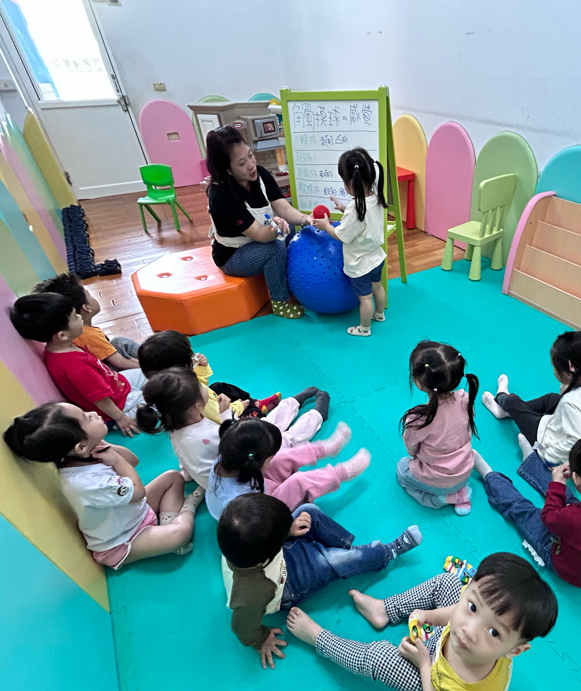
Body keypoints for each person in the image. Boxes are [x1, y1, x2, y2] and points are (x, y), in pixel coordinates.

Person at [285, 552, 558, 691]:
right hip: (443, 651)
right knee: (448, 582)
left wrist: (424, 665)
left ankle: (318, 638)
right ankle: (384, 609)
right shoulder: (470, 628)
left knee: (381, 657)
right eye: (474, 606)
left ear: (515, 651)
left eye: (494, 632)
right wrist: (429, 616)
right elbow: (458, 612)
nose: (469, 630)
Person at [218, 493, 422, 669]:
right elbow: (241, 626)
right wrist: (260, 639)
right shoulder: (253, 592)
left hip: (276, 561)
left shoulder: (239, 541)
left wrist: (288, 529)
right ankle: (386, 553)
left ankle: (352, 551)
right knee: (328, 562)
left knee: (308, 512)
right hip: (286, 586)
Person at [3, 402, 202, 567]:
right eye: (87, 418)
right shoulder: (86, 483)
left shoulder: (84, 454)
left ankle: (167, 521)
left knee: (173, 477)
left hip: (135, 512)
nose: (93, 413)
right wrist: (115, 460)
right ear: (80, 447)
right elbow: (138, 493)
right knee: (179, 535)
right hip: (122, 540)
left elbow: (132, 461)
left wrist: (107, 448)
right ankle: (188, 507)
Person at [473, 432, 581, 588]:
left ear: (578, 480)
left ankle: (490, 477)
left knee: (524, 511)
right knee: (565, 495)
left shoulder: (575, 519)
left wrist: (557, 484)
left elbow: (548, 518)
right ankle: (531, 463)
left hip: (567, 565)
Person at [482, 330, 581, 495]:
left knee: (512, 401)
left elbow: (576, 441)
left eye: (554, 367)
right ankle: (511, 412)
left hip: (547, 441)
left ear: (568, 372)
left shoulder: (571, 402)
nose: (553, 370)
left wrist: (553, 460)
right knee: (551, 399)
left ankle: (501, 401)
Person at [136, 371, 329, 490]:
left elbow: (188, 458)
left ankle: (292, 402)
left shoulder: (176, 430)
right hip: (242, 476)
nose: (206, 388)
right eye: (201, 388)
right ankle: (317, 415)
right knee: (284, 440)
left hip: (228, 459)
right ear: (197, 405)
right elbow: (237, 442)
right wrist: (226, 413)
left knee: (266, 424)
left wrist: (190, 474)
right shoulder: (204, 437)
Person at [205, 125, 310, 319]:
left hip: (260, 237)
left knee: (294, 229)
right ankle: (280, 302)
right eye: (241, 163)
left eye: (250, 156)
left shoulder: (260, 174)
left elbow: (283, 207)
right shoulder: (221, 196)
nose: (251, 165)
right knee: (274, 249)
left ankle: (295, 283)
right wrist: (276, 229)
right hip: (233, 255)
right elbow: (260, 235)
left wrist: (306, 218)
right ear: (227, 170)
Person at [9, 292, 146, 437]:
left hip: (117, 384)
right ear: (62, 335)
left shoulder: (64, 346)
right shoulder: (74, 366)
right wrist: (120, 418)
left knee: (149, 373)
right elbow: (99, 399)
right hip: (118, 406)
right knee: (157, 399)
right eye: (75, 317)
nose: (80, 317)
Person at [206, 418, 370, 520]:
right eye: (268, 458)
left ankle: (325, 449)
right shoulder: (239, 502)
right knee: (298, 481)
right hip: (262, 512)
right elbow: (260, 524)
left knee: (281, 457)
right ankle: (341, 473)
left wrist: (270, 459)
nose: (271, 459)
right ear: (254, 464)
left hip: (256, 488)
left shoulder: (231, 454)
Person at [311, 147, 389, 337]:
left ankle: (364, 328)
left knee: (365, 299)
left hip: (360, 263)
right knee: (378, 287)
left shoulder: (356, 208)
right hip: (376, 257)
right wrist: (344, 208)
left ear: (350, 183)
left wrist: (326, 225)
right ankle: (380, 314)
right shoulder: (376, 196)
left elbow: (341, 235)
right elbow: (363, 218)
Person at [136, 329, 289, 424]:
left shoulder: (169, 386)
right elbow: (216, 415)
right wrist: (239, 406)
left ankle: (254, 403)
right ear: (183, 367)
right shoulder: (195, 402)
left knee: (218, 387)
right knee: (248, 421)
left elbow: (199, 382)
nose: (194, 356)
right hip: (217, 421)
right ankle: (255, 410)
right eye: (190, 355)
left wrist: (202, 367)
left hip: (207, 408)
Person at [396, 341, 479, 515]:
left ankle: (442, 499)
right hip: (464, 472)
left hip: (437, 482)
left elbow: (412, 450)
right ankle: (461, 492)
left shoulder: (419, 418)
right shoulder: (464, 398)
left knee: (402, 469)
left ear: (418, 383)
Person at [32, 273, 141, 371]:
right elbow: (120, 362)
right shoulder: (89, 335)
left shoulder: (73, 332)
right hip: (110, 372)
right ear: (86, 308)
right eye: (90, 295)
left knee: (119, 342)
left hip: (103, 365)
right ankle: (150, 362)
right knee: (121, 343)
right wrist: (144, 368)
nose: (92, 297)